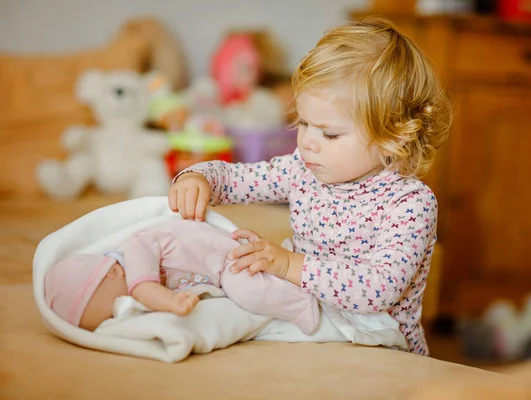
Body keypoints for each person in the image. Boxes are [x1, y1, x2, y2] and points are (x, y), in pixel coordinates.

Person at [168, 17, 452, 355]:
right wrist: (200, 178)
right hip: (304, 313)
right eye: (303, 122)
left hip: (375, 341)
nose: (308, 142)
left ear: (395, 135)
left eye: (329, 133)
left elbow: (379, 289)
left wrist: (289, 265)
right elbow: (241, 179)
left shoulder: (409, 203)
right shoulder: (302, 169)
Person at [45, 219, 319, 333]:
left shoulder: (135, 249)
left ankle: (307, 304)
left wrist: (172, 304)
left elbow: (144, 291)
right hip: (216, 271)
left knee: (250, 293)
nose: (122, 309)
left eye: (115, 304)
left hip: (224, 260)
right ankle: (288, 267)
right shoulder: (124, 274)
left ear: (113, 270)